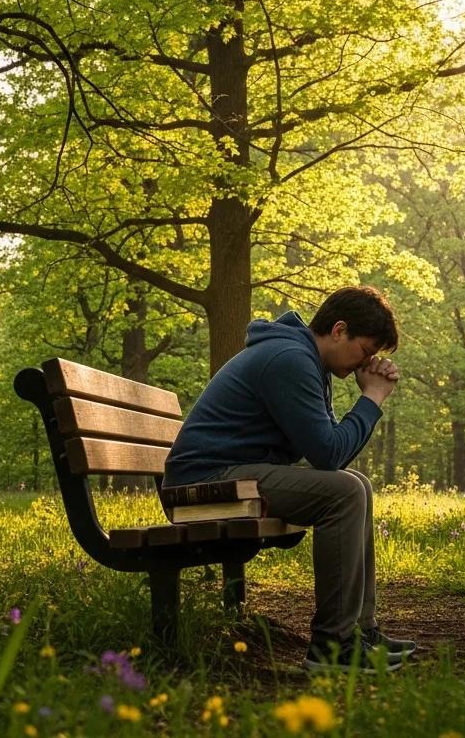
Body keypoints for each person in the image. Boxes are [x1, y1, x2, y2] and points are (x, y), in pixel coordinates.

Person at [164, 285, 416, 672]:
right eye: (365, 351)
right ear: (338, 330)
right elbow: (329, 454)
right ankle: (333, 646)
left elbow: (331, 448)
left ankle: (359, 632)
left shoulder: (307, 361)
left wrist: (368, 396)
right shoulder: (290, 359)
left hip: (231, 474)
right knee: (345, 490)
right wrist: (373, 398)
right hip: (201, 483)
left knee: (357, 485)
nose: (364, 363)